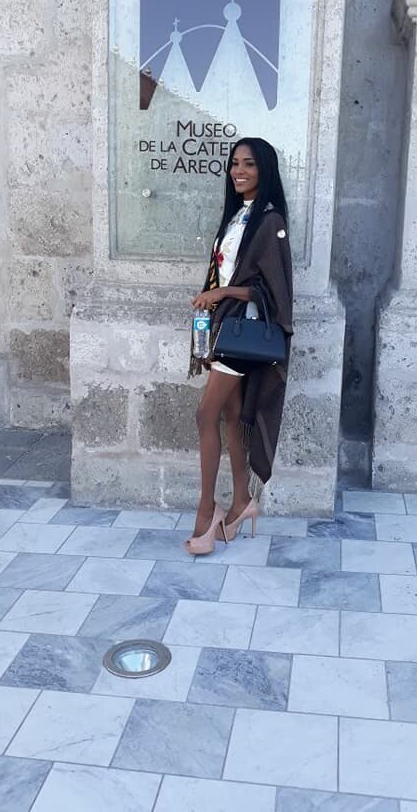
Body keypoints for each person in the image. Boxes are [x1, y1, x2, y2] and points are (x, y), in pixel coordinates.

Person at [185, 137, 293, 555]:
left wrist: (221, 293)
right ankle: (242, 501)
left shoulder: (270, 220)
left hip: (242, 332)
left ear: (264, 169)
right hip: (224, 328)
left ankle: (206, 511)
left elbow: (273, 289)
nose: (239, 171)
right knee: (231, 416)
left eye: (249, 164)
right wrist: (213, 296)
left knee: (205, 414)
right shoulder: (237, 216)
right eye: (234, 164)